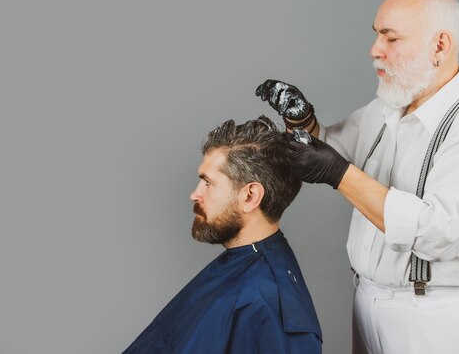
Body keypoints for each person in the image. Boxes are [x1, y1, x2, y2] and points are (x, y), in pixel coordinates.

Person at [256, 0, 459, 354]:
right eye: (376, 35)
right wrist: (302, 120)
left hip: (442, 320)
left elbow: (437, 232)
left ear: (440, 46)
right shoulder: (387, 109)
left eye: (391, 38)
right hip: (369, 303)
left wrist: (338, 174)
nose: (374, 50)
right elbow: (330, 151)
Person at [123, 116, 322, 353]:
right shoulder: (244, 262)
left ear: (249, 196)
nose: (195, 195)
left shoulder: (268, 302)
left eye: (208, 182)